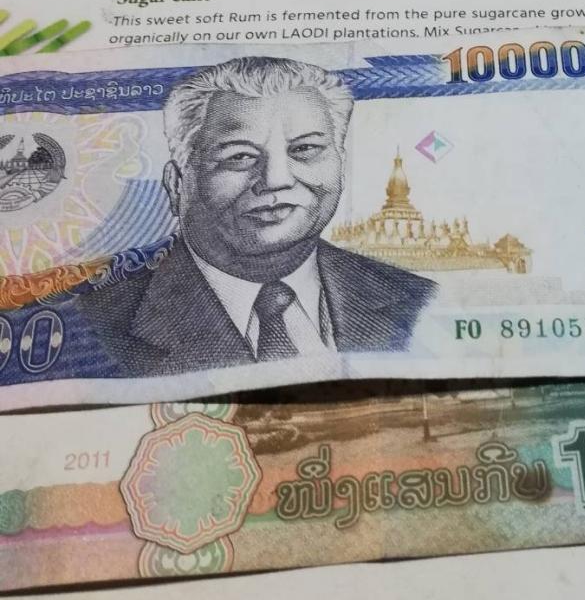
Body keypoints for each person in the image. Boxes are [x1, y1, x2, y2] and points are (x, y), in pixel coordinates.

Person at [77, 56, 436, 376]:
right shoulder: (90, 331)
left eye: (305, 149)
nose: (277, 179)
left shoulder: (418, 300)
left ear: (340, 167)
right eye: (239, 156)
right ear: (176, 185)